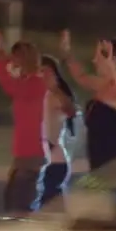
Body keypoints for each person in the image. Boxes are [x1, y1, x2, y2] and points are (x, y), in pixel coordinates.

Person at [0, 31, 46, 215]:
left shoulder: (36, 84)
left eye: (15, 60)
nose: (11, 64)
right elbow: (7, 75)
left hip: (33, 154)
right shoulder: (29, 82)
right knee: (14, 202)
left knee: (18, 205)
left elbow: (7, 81)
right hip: (23, 154)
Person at [60, 31, 116, 172]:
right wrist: (66, 52)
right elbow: (80, 76)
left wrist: (110, 63)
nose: (94, 60)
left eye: (98, 57)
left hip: (113, 162)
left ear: (113, 59)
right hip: (97, 160)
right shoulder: (100, 84)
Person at [38, 55, 78, 207]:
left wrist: (55, 88)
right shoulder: (44, 96)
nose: (44, 75)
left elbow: (71, 110)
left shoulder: (56, 95)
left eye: (47, 71)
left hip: (56, 162)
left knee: (49, 205)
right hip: (49, 160)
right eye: (41, 71)